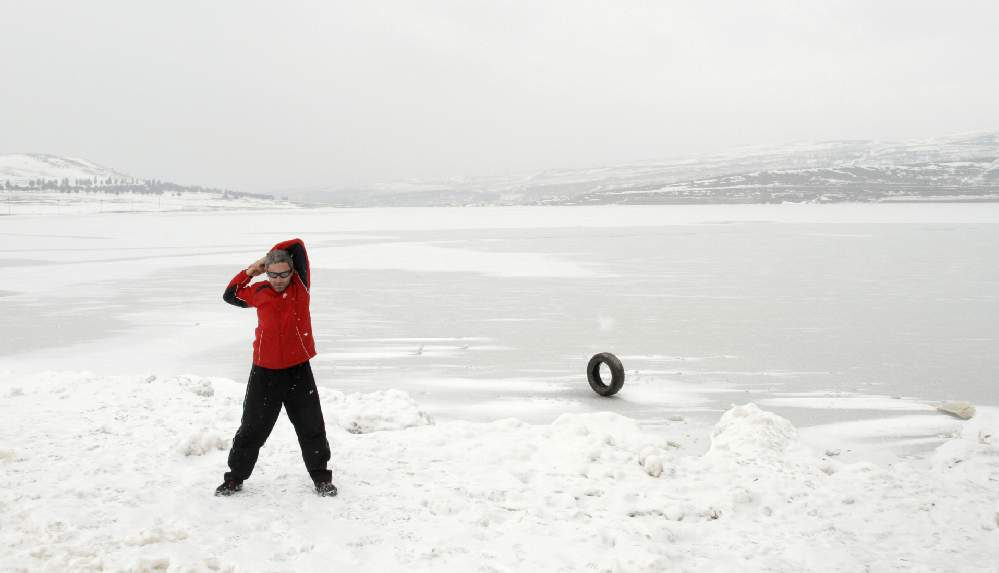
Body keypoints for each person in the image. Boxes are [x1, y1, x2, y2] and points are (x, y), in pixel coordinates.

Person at [215, 238, 337, 497]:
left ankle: (321, 477)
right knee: (252, 428)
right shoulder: (258, 292)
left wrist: (271, 255)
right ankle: (235, 477)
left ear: (292, 272)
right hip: (265, 373)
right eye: (273, 274)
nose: (279, 279)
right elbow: (230, 294)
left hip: (297, 370)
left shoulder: (300, 288)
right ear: (266, 272)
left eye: (284, 273)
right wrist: (252, 270)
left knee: (310, 425)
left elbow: (297, 245)